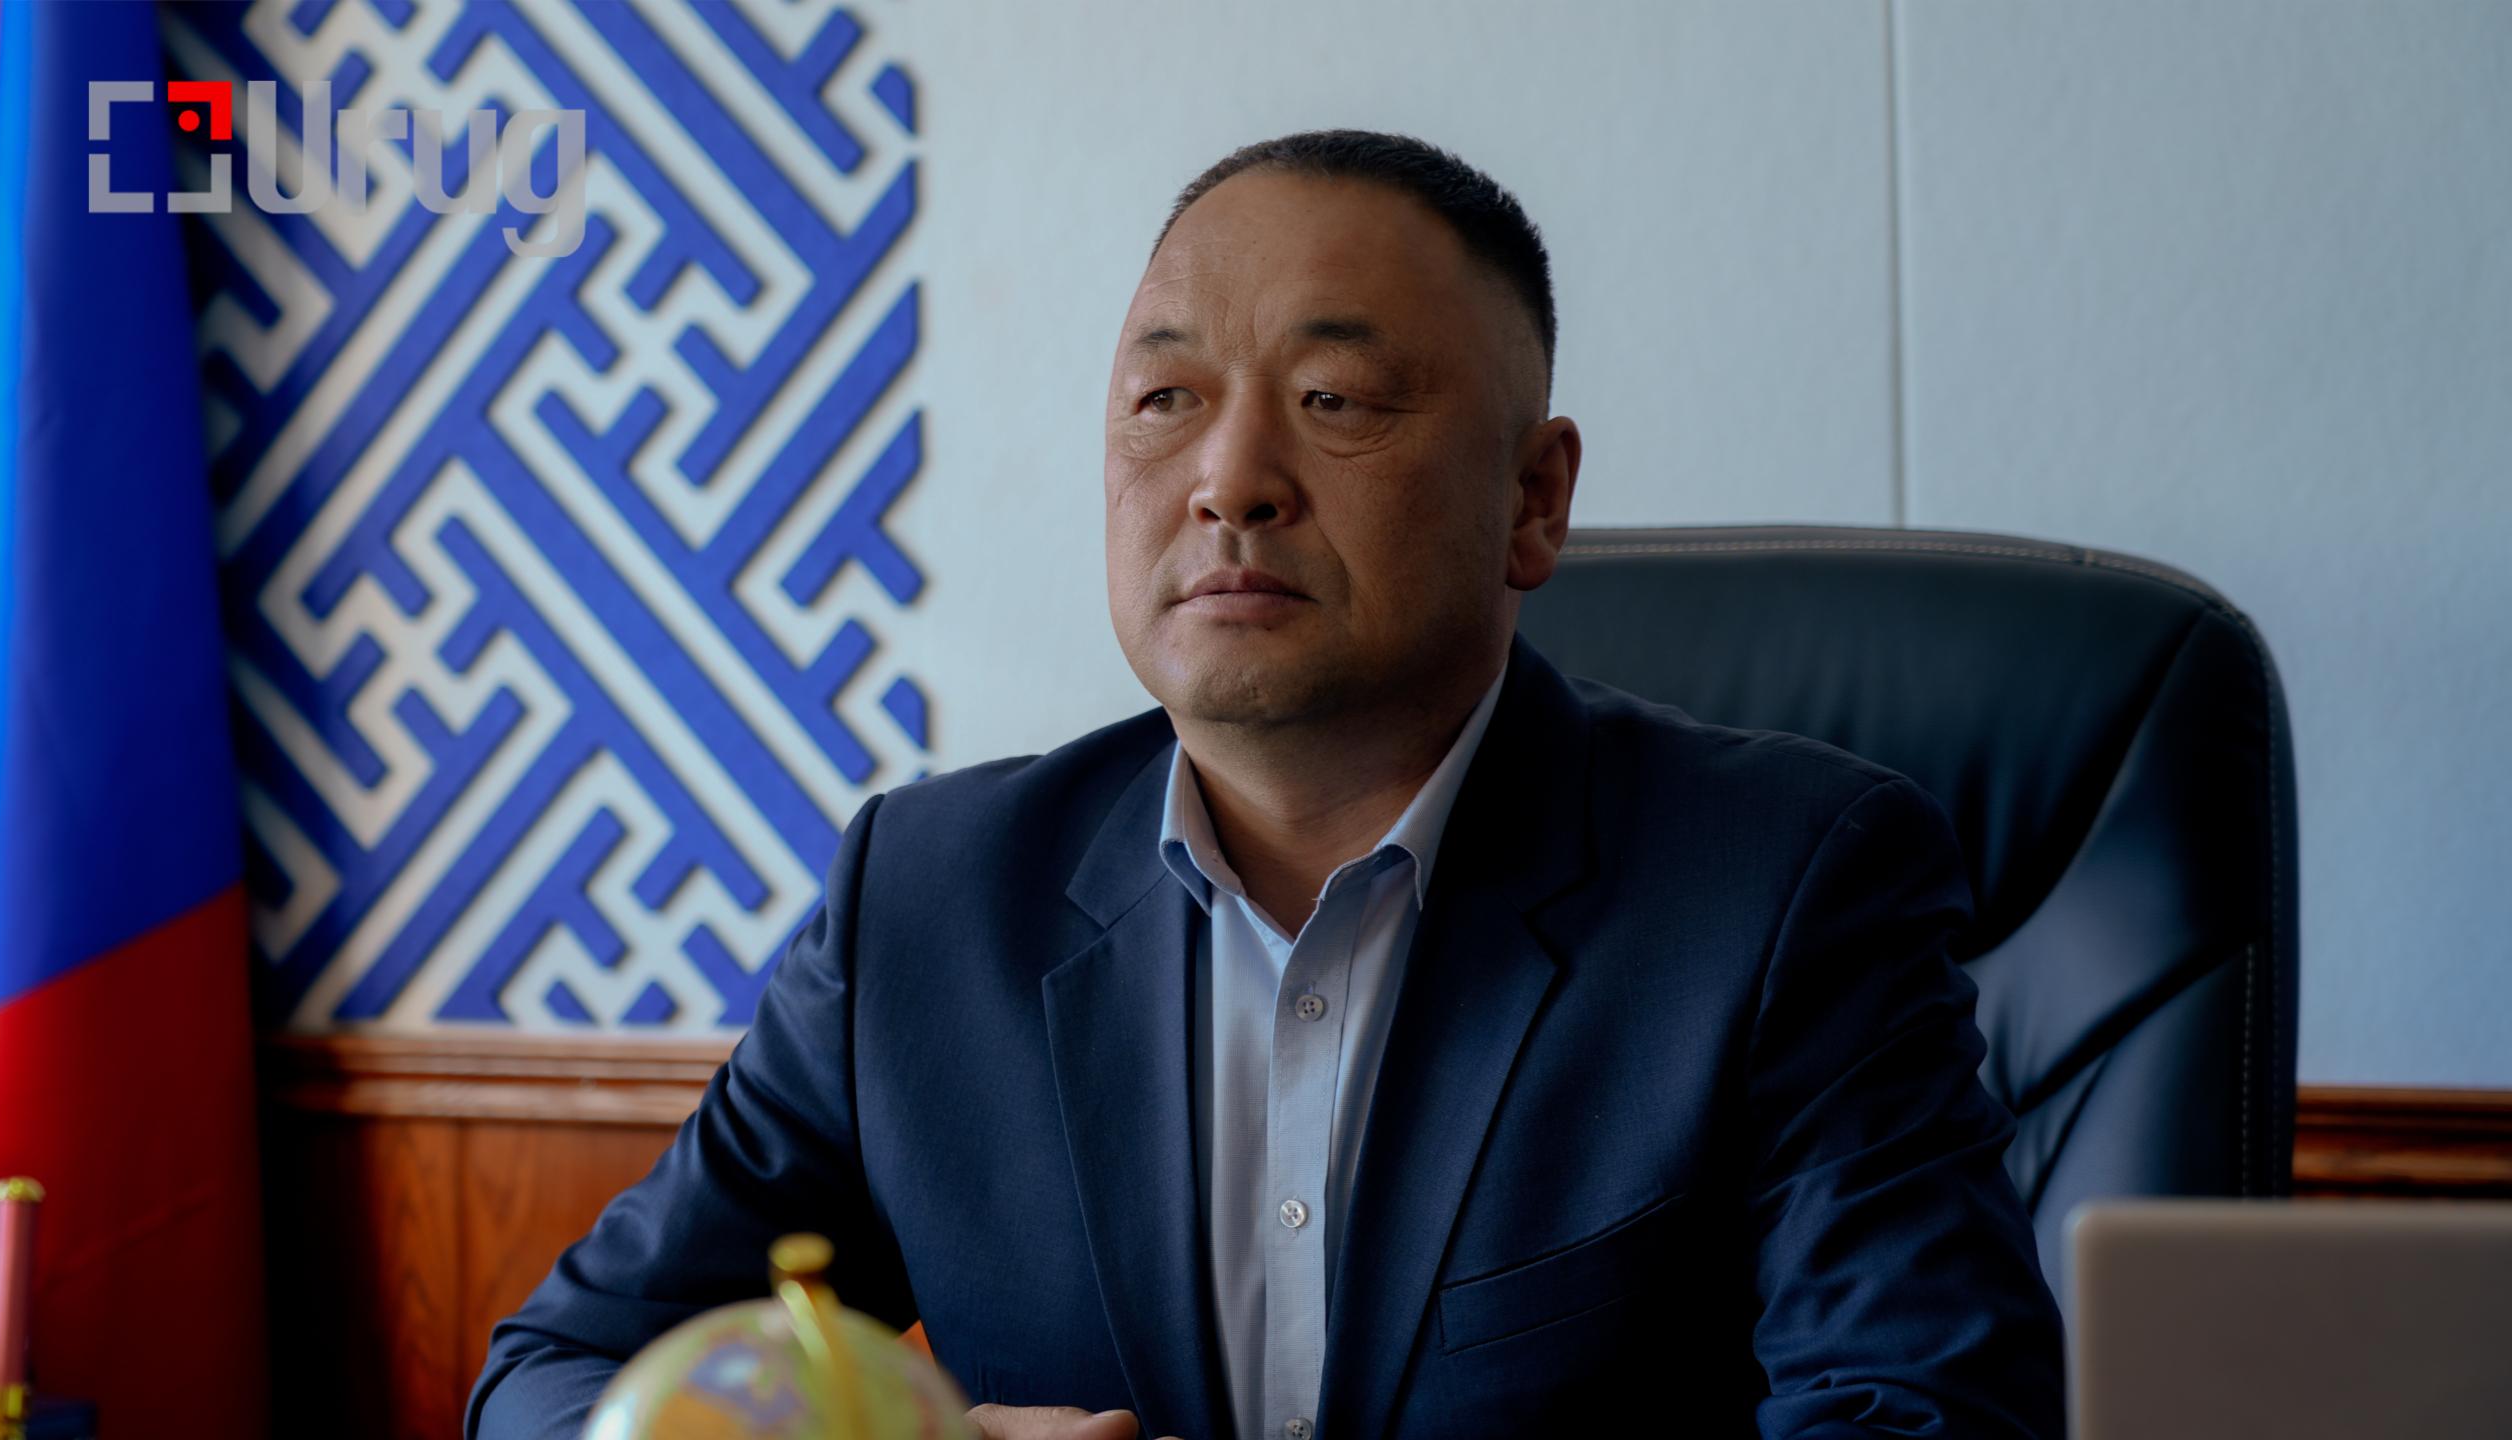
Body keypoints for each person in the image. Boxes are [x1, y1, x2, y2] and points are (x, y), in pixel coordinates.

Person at [468, 130, 2064, 1440]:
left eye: (1334, 403)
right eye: (1167, 400)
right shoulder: (929, 903)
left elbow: (1925, 1417)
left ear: (1533, 498)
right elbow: (555, 1379)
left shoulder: (1784, 890)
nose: (1229, 479)